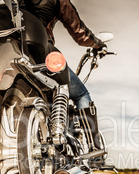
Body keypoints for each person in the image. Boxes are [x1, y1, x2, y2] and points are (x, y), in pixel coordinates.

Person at [19, 0, 106, 152]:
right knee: (81, 94)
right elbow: (79, 31)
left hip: (7, 49)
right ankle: (95, 150)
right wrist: (98, 45)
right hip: (39, 51)